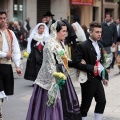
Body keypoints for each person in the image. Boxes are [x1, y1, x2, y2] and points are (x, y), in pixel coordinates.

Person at [26, 21, 82, 120]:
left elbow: (65, 60)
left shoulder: (60, 43)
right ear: (55, 31)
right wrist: (54, 85)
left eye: (66, 31)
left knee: (67, 105)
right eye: (63, 31)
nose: (65, 33)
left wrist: (78, 64)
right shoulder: (49, 45)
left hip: (62, 77)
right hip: (52, 79)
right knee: (52, 106)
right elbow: (49, 66)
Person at [72, 21, 109, 120]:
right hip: (87, 79)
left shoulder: (100, 45)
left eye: (100, 32)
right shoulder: (82, 45)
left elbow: (102, 63)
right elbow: (75, 62)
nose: (99, 34)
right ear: (90, 32)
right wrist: (90, 67)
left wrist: (105, 76)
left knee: (102, 101)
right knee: (85, 105)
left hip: (97, 78)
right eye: (97, 32)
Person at [0, 10, 22, 120]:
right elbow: (7, 53)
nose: (3, 20)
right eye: (0, 18)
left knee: (3, 92)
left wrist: (17, 65)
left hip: (7, 66)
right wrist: (5, 54)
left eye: (4, 18)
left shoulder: (10, 33)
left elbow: (16, 50)